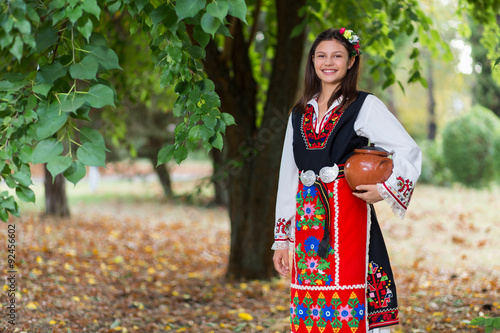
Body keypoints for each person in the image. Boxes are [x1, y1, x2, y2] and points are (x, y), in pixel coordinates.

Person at [272, 28, 422, 333]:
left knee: (352, 297)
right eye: (321, 55)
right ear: (312, 61)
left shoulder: (364, 105)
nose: (329, 62)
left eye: (337, 55)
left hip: (349, 214)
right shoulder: (298, 113)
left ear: (351, 61)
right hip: (307, 220)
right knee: (310, 306)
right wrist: (282, 240)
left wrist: (385, 189)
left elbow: (408, 149)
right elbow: (288, 177)